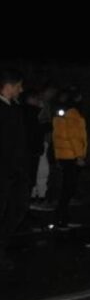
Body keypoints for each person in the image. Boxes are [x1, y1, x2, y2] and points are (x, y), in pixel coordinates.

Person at [0, 69, 29, 270]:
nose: (21, 90)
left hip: (15, 171)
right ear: (9, 86)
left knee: (17, 209)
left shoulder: (14, 108)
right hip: (4, 171)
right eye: (19, 86)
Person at [51, 86, 87, 229]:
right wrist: (79, 156)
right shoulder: (72, 113)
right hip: (71, 155)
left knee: (67, 186)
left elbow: (57, 135)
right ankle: (62, 218)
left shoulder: (60, 112)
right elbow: (74, 136)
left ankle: (61, 217)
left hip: (63, 154)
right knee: (69, 188)